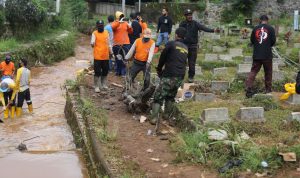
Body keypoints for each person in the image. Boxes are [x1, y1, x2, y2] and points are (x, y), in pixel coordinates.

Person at [149, 27, 188, 126]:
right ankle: (166, 116)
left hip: (170, 74)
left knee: (158, 96)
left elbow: (163, 56)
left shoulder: (171, 44)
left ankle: (153, 118)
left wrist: (159, 68)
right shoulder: (186, 48)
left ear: (176, 35)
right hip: (180, 76)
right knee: (170, 96)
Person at [180, 9, 219, 83]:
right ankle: (181, 77)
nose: (190, 16)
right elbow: (179, 33)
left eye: (190, 15)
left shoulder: (195, 23)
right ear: (185, 16)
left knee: (192, 63)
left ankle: (191, 77)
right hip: (184, 46)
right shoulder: (182, 24)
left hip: (193, 46)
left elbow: (204, 28)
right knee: (182, 62)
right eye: (188, 15)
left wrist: (213, 30)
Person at [245, 15, 276, 98]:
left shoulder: (255, 29)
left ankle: (248, 87)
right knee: (268, 73)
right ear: (267, 20)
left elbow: (252, 40)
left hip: (257, 54)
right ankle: (268, 90)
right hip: (267, 55)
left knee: (253, 72)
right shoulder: (271, 29)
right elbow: (273, 41)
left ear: (260, 20)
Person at [91, 20, 113, 93]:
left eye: (102, 25)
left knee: (105, 71)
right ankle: (96, 86)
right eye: (99, 26)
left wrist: (111, 52)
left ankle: (103, 84)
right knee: (97, 72)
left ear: (103, 26)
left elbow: (109, 43)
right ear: (97, 26)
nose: (101, 27)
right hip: (97, 56)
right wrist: (92, 43)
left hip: (105, 56)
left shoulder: (106, 33)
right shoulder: (94, 33)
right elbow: (92, 42)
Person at [111, 11, 133, 77]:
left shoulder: (125, 23)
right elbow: (113, 28)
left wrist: (129, 26)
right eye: (120, 16)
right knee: (118, 58)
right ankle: (118, 72)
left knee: (124, 58)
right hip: (117, 44)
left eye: (122, 16)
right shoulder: (114, 23)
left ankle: (123, 73)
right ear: (117, 17)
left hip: (126, 43)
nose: (122, 18)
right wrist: (119, 22)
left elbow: (131, 31)